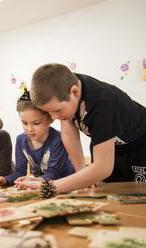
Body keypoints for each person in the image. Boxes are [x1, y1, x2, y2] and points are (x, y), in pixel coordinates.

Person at [16, 63, 146, 193]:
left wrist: (52, 186)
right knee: (107, 193)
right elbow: (69, 134)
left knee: (138, 194)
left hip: (141, 144)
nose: (54, 117)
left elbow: (103, 167)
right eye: (49, 112)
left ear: (75, 92)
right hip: (116, 147)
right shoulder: (65, 92)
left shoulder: (102, 103)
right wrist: (82, 173)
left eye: (57, 110)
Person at [4, 89, 74, 187]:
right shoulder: (21, 140)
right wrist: (4, 180)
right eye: (24, 123)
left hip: (65, 183)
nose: (29, 129)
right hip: (42, 184)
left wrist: (33, 180)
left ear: (51, 118)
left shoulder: (58, 140)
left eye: (36, 123)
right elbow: (20, 171)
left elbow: (54, 173)